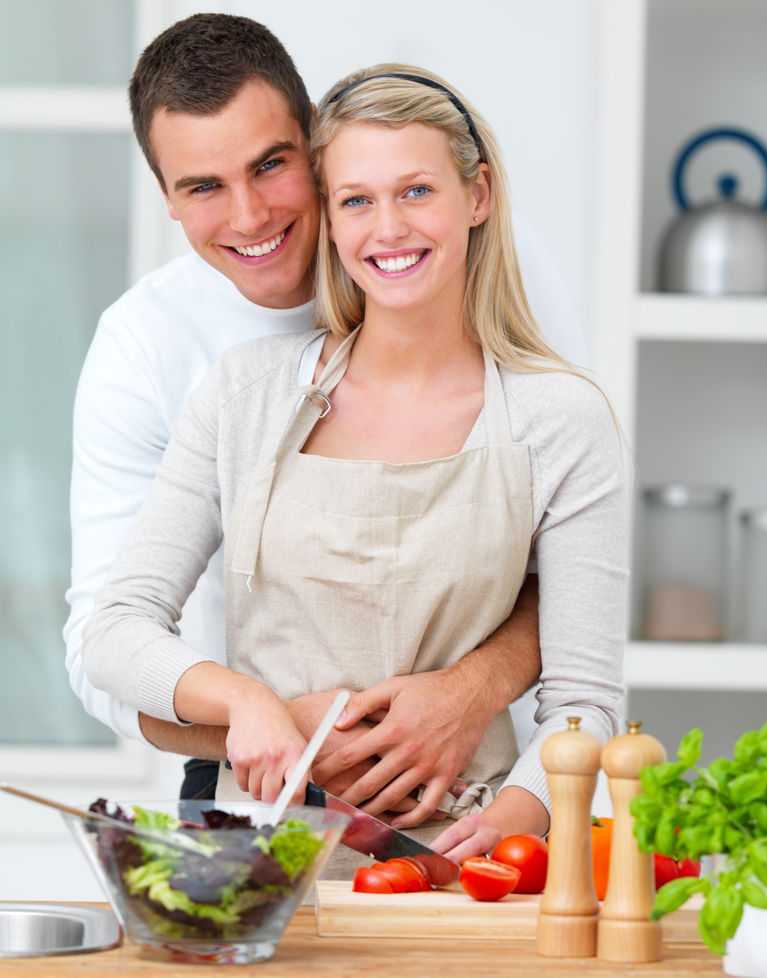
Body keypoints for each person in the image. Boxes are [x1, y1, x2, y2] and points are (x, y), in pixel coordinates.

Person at [81, 58, 626, 862]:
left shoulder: (560, 416)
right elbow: (113, 632)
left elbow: (586, 698)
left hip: (461, 852)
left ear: (477, 197)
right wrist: (247, 706)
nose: (390, 228)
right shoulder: (244, 393)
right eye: (357, 201)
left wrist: (518, 819)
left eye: (417, 191)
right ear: (331, 220)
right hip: (259, 851)